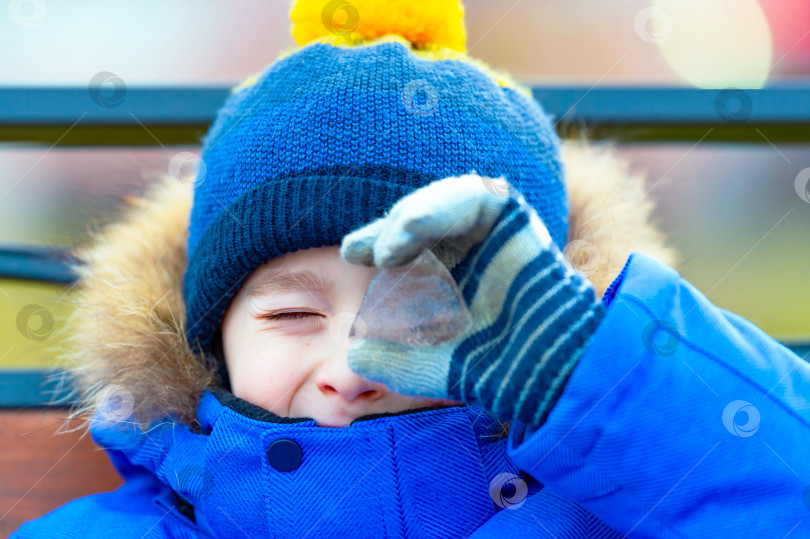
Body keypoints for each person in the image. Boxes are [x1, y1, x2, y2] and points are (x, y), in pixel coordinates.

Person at [14, 1, 810, 537]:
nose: (352, 365)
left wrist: (588, 371)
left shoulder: (614, 503)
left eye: (422, 309)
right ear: (210, 340)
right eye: (293, 316)